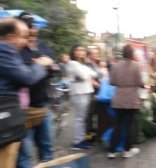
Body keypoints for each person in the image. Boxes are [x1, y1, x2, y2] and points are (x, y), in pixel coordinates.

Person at [0, 18, 52, 168]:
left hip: (13, 111)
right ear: (10, 37)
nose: (26, 41)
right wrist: (40, 65)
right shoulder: (4, 48)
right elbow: (27, 77)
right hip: (6, 112)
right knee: (10, 158)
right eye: (23, 36)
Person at [16, 12, 57, 168]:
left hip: (42, 104)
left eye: (33, 26)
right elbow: (24, 76)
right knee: (25, 153)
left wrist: (44, 65)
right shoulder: (16, 49)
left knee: (47, 147)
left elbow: (53, 66)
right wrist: (40, 64)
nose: (32, 30)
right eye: (28, 26)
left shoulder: (41, 45)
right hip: (23, 110)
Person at [107, 45, 143, 158]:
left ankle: (112, 151)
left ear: (122, 53)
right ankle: (127, 151)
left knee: (117, 124)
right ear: (132, 54)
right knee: (129, 126)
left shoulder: (115, 65)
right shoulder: (136, 65)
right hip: (132, 98)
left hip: (118, 98)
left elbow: (112, 82)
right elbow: (139, 82)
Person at [66, 45, 97, 150]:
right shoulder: (72, 63)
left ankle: (82, 139)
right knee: (79, 118)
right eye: (78, 50)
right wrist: (87, 75)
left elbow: (94, 73)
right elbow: (84, 76)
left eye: (83, 50)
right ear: (73, 52)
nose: (81, 52)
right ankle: (77, 142)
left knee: (83, 118)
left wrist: (87, 74)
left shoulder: (81, 64)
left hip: (85, 92)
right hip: (78, 93)